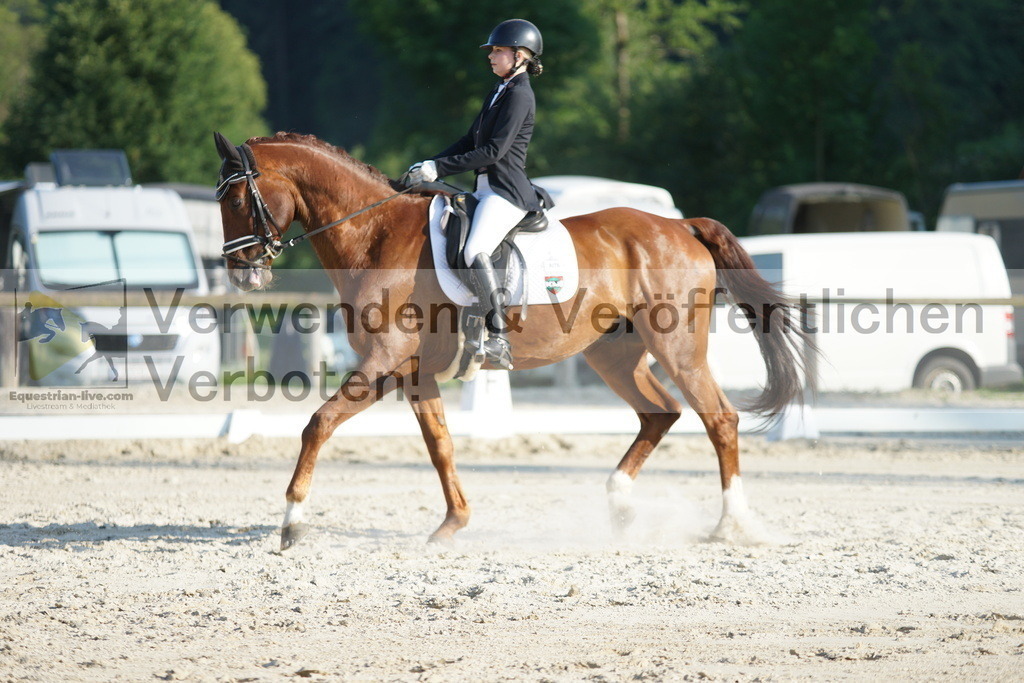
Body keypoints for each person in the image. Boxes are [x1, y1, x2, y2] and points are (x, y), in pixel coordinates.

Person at [406, 18, 544, 370]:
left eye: (499, 51)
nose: (492, 56)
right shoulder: (499, 91)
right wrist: (430, 163)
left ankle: (498, 336)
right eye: (493, 51)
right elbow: (470, 142)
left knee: (475, 248)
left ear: (521, 56)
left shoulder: (520, 95)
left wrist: (441, 170)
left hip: (507, 192)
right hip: (484, 189)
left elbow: (493, 152)